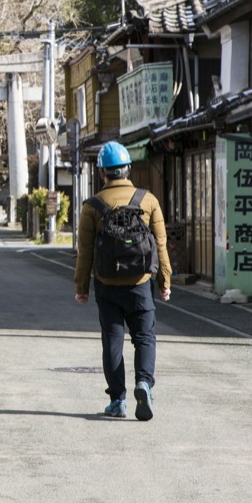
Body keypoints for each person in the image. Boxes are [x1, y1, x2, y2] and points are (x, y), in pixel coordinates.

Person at [73, 141, 172, 421]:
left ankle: (118, 400)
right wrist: (165, 280)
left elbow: (86, 252)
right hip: (141, 282)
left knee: (112, 341)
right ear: (127, 169)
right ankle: (144, 383)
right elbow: (160, 246)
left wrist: (81, 288)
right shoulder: (149, 200)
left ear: (102, 172)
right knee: (144, 337)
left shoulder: (92, 206)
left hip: (107, 284)